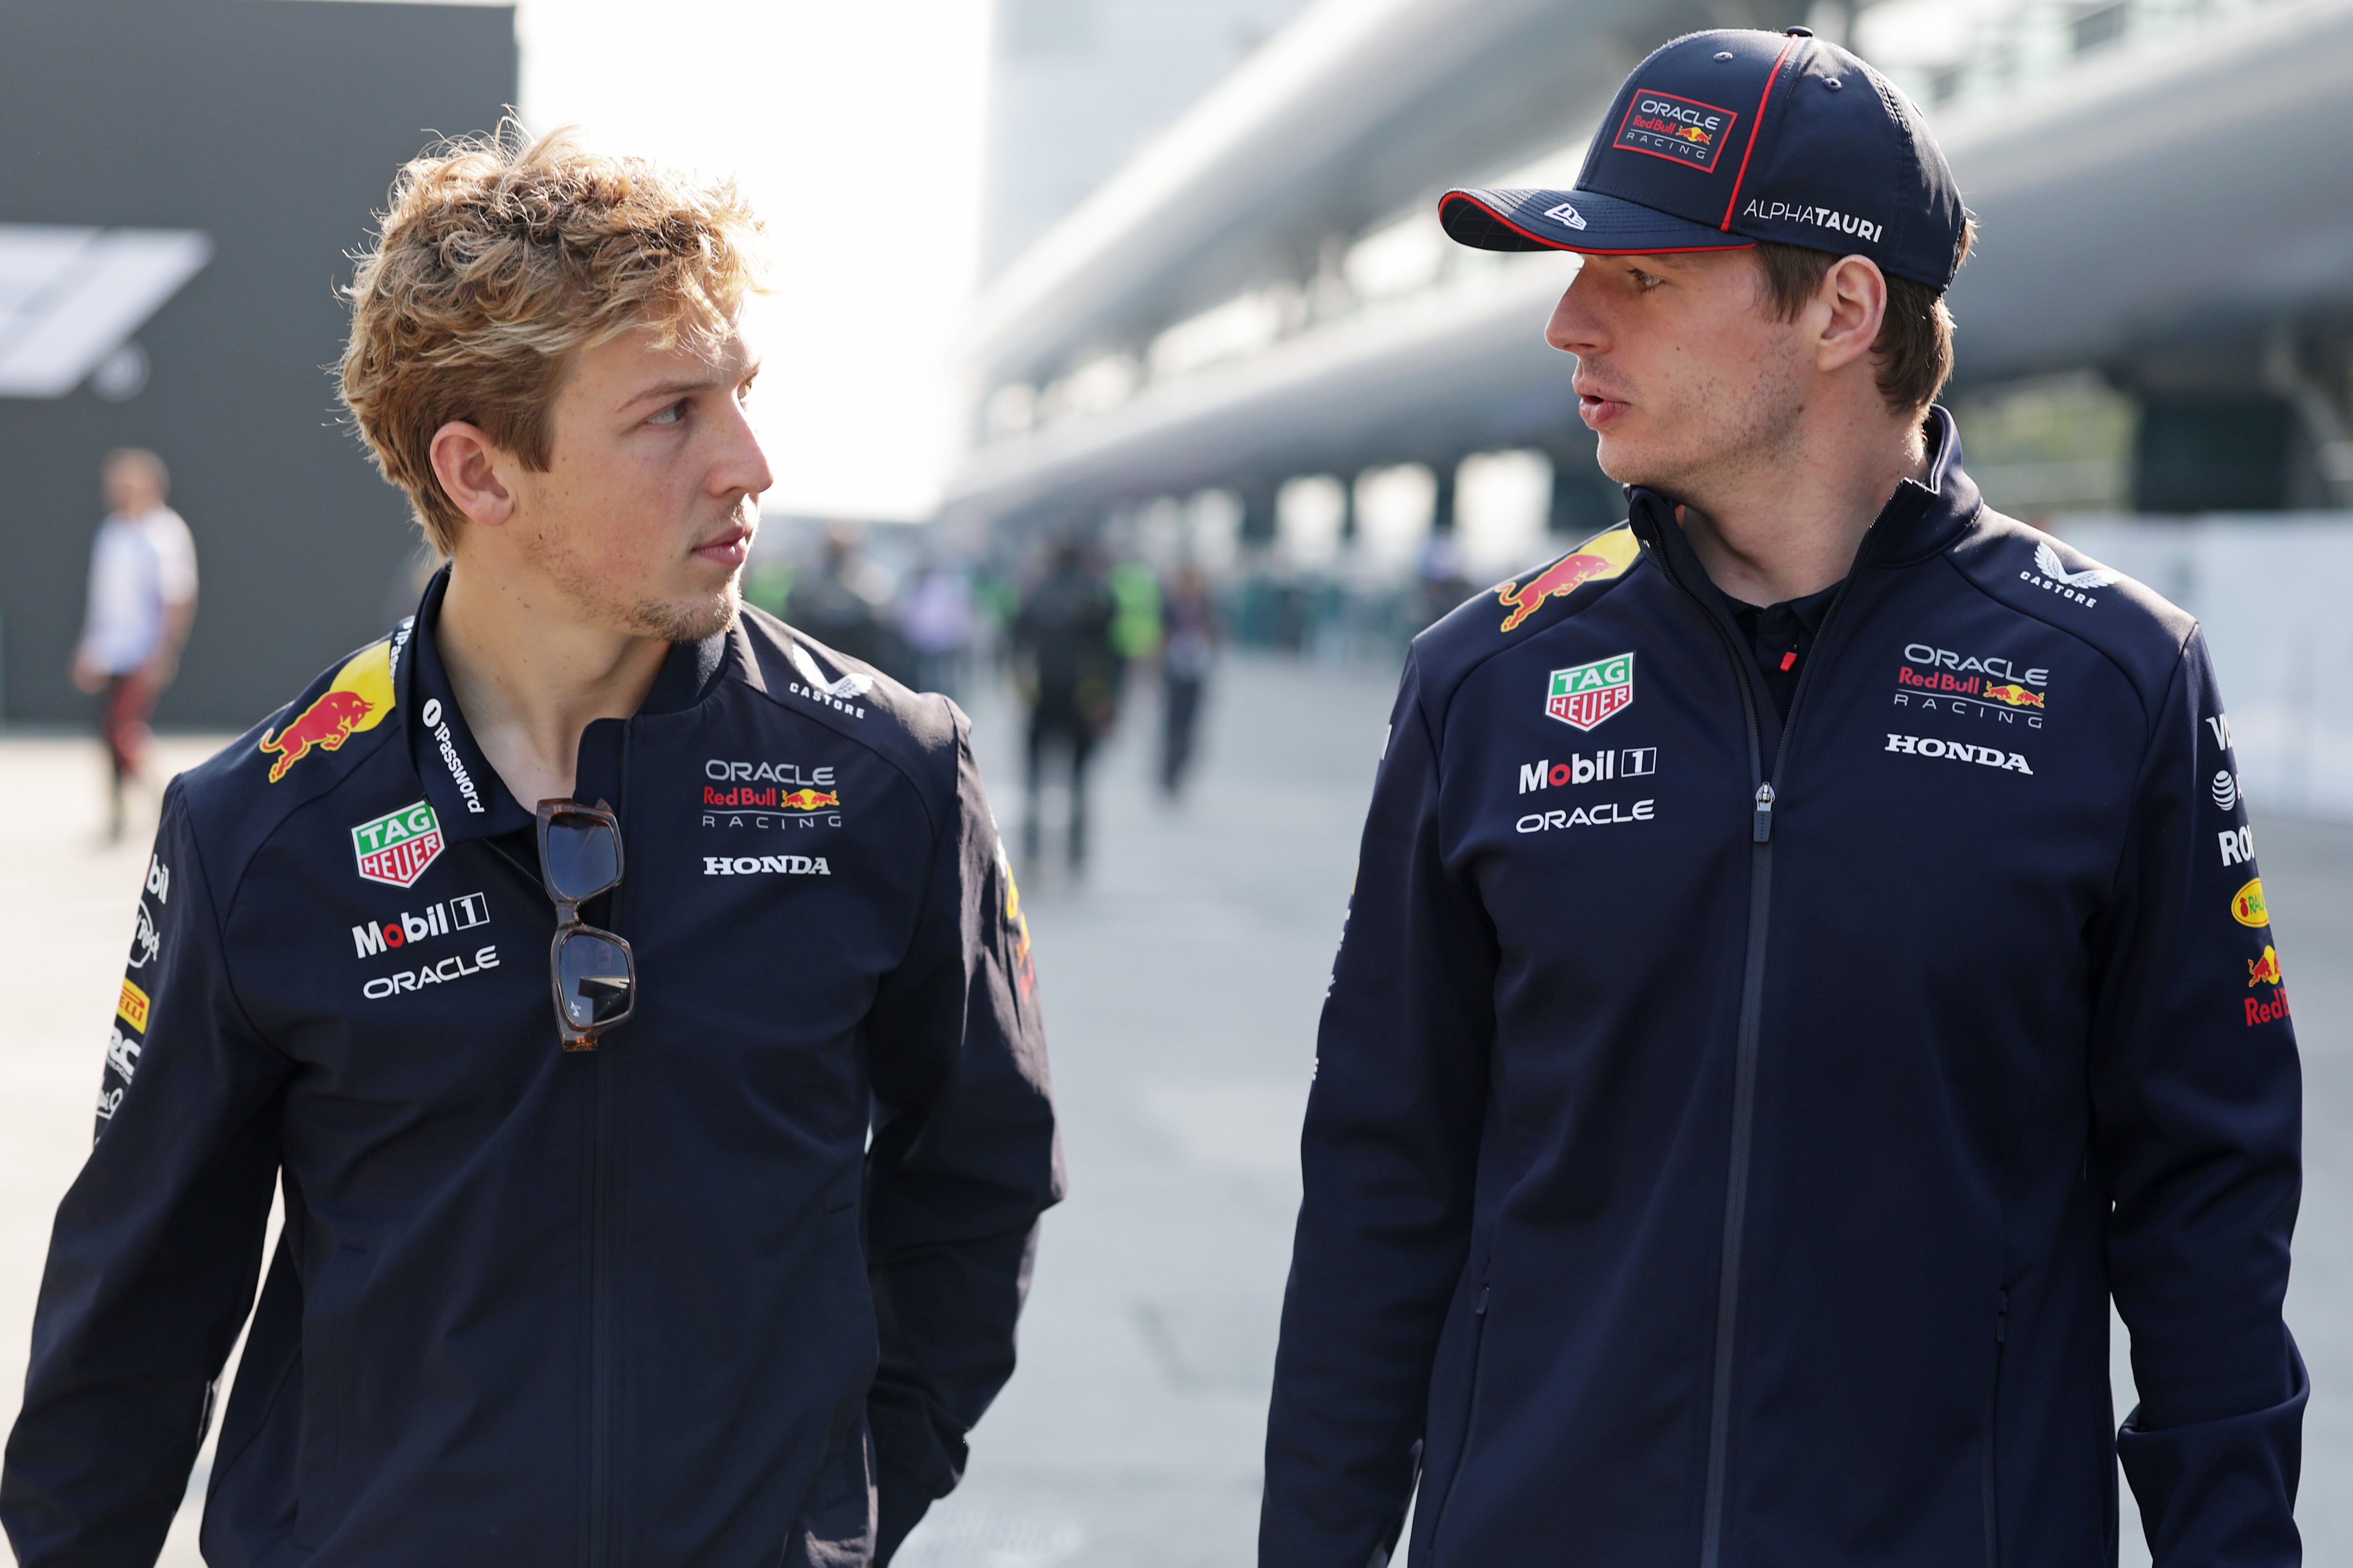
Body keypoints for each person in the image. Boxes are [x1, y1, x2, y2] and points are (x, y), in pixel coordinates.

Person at [1262, 28, 2301, 1568]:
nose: (1567, 323)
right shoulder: (1479, 683)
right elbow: (1380, 1185)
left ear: (1841, 306)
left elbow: (2204, 1212)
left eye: (1641, 280)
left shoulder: (2112, 679)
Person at [2, 128, 1060, 1568]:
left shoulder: (885, 771)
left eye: (739, 394)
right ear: (479, 471)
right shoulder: (264, 824)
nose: (749, 461)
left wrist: (846, 1496)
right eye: (671, 413)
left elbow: (978, 1169)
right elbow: (133, 1309)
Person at [69, 448, 197, 840]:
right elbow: (103, 599)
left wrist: (162, 653)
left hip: (143, 651)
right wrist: (89, 649)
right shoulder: (111, 532)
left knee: (126, 732)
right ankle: (118, 814)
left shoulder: (166, 534)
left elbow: (177, 599)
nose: (119, 493)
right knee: (109, 734)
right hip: (110, 650)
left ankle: (175, 804)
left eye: (127, 486)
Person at [1012, 540, 1119, 869]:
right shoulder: (1098, 597)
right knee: (1078, 780)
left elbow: (1016, 644)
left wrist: (1020, 686)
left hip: (1043, 698)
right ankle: (1076, 852)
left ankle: (1031, 849)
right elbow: (1112, 655)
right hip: (1084, 700)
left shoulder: (1037, 595)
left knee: (1034, 780)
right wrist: (1108, 702)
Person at [1157, 561, 1216, 797]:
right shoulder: (1170, 606)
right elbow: (1162, 635)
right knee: (1173, 722)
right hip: (1175, 668)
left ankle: (1181, 767)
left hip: (1197, 668)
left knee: (1190, 725)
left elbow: (1215, 634)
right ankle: (1168, 770)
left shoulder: (1205, 606)